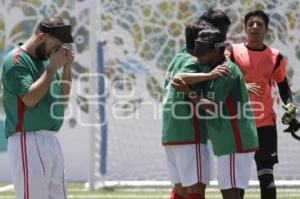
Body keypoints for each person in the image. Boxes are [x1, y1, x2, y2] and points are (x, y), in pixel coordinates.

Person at [171, 26, 259, 199]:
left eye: (203, 51)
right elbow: (178, 78)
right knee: (228, 190)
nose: (198, 55)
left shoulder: (226, 71)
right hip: (227, 141)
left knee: (230, 192)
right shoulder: (212, 69)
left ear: (218, 49)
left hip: (235, 140)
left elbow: (213, 107)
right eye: (197, 50)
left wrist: (187, 92)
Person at [2, 16, 74, 199]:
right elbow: (29, 99)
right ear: (41, 36)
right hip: (27, 140)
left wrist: (66, 68)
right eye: (56, 45)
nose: (58, 51)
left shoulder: (45, 60)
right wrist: (51, 69)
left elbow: (62, 100)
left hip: (51, 139)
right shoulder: (17, 60)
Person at [226, 10, 295, 199]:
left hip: (265, 124)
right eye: (251, 24)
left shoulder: (275, 56)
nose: (255, 27)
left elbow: (283, 87)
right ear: (245, 28)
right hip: (239, 123)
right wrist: (242, 84)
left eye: (259, 24)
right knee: (238, 180)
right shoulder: (232, 52)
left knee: (266, 175)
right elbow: (222, 80)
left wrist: (290, 107)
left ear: (266, 30)